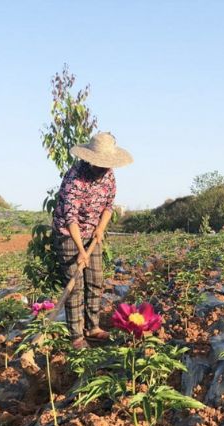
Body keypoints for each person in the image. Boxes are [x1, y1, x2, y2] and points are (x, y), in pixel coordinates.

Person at [52, 132, 133, 349]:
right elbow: (70, 218)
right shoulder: (74, 178)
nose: (103, 168)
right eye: (100, 164)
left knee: (95, 279)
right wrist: (81, 250)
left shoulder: (109, 176)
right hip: (70, 234)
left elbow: (108, 206)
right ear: (89, 159)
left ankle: (93, 327)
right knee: (75, 285)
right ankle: (77, 335)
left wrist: (100, 230)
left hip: (93, 232)